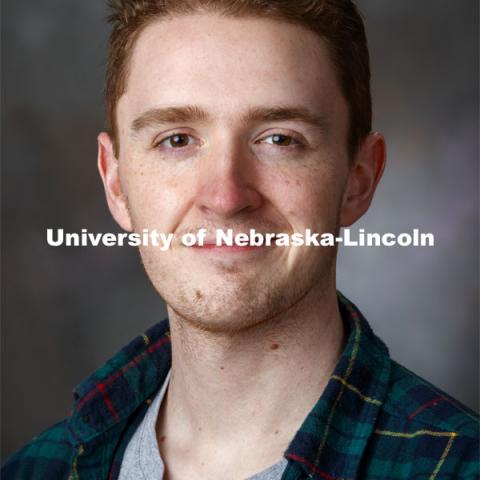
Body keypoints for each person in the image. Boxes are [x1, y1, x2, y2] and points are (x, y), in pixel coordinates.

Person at [2, 1, 479, 479]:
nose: (226, 196)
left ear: (359, 179)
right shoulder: (35, 470)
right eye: (177, 140)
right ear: (116, 183)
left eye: (280, 140)